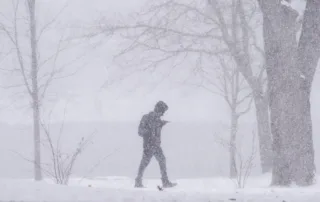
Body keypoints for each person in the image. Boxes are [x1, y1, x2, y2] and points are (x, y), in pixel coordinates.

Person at [135, 101, 177, 188]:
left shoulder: (158, 120)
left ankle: (165, 181)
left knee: (162, 161)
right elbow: (140, 131)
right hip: (149, 145)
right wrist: (149, 132)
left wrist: (163, 124)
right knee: (144, 163)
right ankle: (138, 182)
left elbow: (157, 128)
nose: (162, 115)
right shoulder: (146, 118)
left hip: (156, 146)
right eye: (162, 112)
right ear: (158, 109)